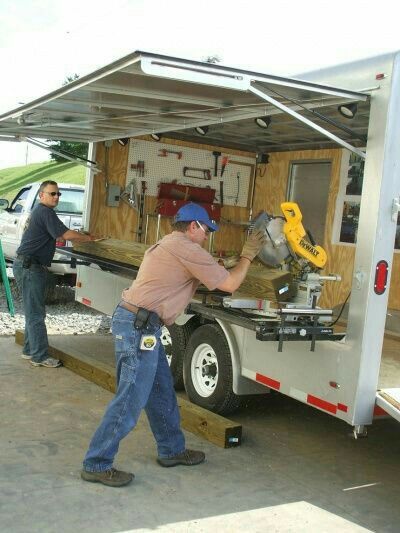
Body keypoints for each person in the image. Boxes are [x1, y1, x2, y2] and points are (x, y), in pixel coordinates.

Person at [81, 202, 266, 487]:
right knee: (130, 399)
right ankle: (96, 463)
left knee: (161, 391)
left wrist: (220, 265)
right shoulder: (187, 248)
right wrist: (247, 256)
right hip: (137, 328)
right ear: (193, 227)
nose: (207, 236)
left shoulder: (170, 244)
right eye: (206, 230)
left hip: (143, 326)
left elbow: (199, 274)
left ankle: (171, 450)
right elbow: (229, 285)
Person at [13, 180, 99, 368]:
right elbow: (66, 235)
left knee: (32, 311)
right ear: (41, 195)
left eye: (58, 194)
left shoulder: (43, 212)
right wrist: (89, 238)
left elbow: (59, 233)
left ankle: (30, 351)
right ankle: (39, 356)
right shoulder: (45, 211)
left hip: (28, 266)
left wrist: (77, 234)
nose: (56, 197)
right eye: (52, 194)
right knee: (36, 313)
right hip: (30, 267)